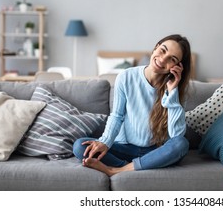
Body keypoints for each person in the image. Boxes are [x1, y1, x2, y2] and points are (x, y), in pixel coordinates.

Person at [72, 34, 192, 176]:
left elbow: (176, 135)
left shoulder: (175, 90)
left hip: (153, 151)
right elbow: (117, 116)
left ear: (177, 67)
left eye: (172, 59)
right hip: (123, 148)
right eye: (163, 50)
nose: (163, 59)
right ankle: (134, 166)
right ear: (155, 48)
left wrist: (172, 93)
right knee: (80, 146)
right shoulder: (126, 77)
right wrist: (104, 142)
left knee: (181, 144)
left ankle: (117, 170)